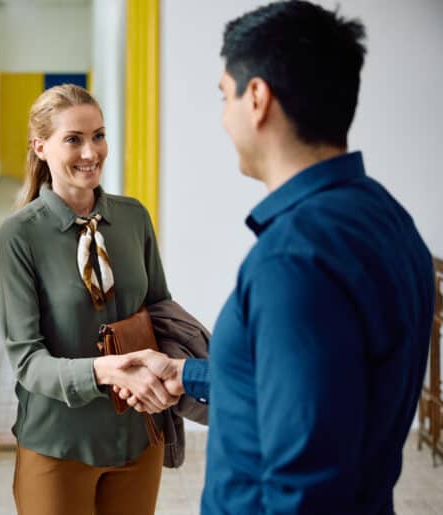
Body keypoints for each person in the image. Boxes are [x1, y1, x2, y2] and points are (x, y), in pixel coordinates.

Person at [123, 2, 435, 513]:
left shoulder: (294, 262)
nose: (223, 117)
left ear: (258, 98)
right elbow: (316, 394)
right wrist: (187, 375)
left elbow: (305, 485)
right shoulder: (388, 220)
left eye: (225, 96)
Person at [0, 84, 182, 515]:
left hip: (137, 437)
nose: (90, 152)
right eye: (73, 140)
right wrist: (105, 371)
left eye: (98, 135)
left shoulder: (133, 217)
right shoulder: (21, 235)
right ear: (40, 147)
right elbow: (26, 361)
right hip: (59, 444)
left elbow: (160, 313)